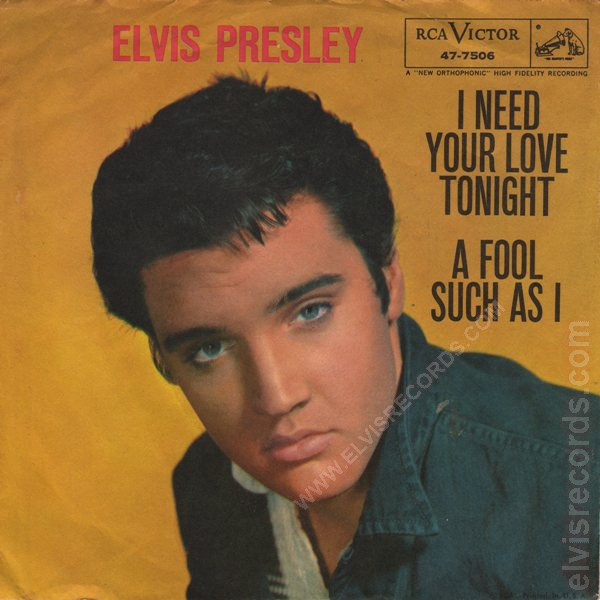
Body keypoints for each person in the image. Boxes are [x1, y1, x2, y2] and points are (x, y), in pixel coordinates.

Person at [91, 75, 598, 599]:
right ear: (163, 359)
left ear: (388, 282)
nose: (277, 398)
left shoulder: (573, 488)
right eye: (209, 349)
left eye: (310, 312)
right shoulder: (211, 487)